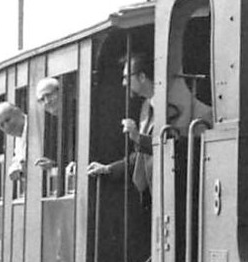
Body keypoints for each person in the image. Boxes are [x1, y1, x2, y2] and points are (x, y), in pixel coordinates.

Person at [87, 52, 211, 196]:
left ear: (142, 77)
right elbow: (142, 156)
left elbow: (180, 148)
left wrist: (138, 138)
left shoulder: (184, 106)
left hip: (176, 196)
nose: (124, 83)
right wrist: (108, 168)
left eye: (127, 77)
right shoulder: (146, 107)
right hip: (151, 196)